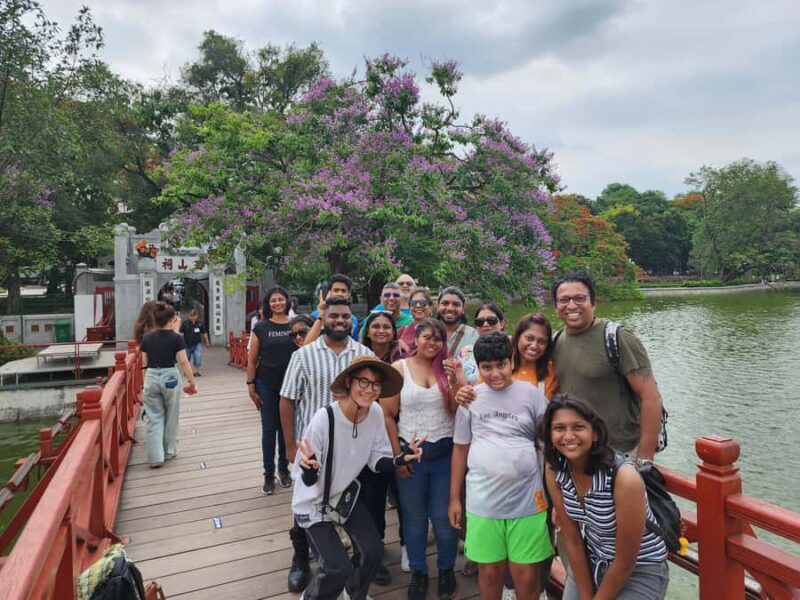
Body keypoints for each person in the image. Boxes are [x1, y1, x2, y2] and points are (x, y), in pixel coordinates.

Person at [292, 356, 424, 600]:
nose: (369, 389)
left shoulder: (374, 412)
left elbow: (377, 460)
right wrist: (308, 467)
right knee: (336, 567)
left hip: (343, 497)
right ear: (350, 382)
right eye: (363, 381)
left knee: (372, 551)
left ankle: (356, 594)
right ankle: (312, 597)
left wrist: (400, 459)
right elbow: (307, 479)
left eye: (375, 384)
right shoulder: (325, 418)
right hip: (313, 501)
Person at [279, 296, 374, 593]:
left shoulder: (363, 354)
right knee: (307, 511)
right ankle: (302, 560)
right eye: (334, 316)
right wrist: (290, 447)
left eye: (345, 316)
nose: (340, 321)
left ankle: (351, 582)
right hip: (312, 450)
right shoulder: (304, 355)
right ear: (324, 318)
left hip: (351, 448)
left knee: (350, 509)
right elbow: (287, 400)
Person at [449, 332, 552, 600]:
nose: (495, 373)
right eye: (487, 367)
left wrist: (557, 503)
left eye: (501, 365)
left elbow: (547, 451)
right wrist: (454, 499)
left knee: (526, 575)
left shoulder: (532, 396)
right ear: (480, 368)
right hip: (483, 502)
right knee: (490, 572)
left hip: (528, 502)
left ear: (511, 361)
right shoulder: (469, 397)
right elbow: (460, 449)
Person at [539, 394, 669, 599]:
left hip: (639, 568)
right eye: (559, 428)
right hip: (592, 557)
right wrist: (586, 593)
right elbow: (572, 539)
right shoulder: (555, 469)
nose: (569, 436)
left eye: (578, 427)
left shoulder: (623, 479)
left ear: (595, 434)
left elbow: (626, 560)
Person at [382, 318, 458, 600]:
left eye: (438, 339)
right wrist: (397, 457)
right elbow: (388, 414)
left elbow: (454, 408)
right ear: (416, 338)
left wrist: (453, 379)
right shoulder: (399, 368)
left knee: (443, 517)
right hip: (411, 453)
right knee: (414, 519)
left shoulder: (446, 368)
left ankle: (447, 568)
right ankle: (418, 571)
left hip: (444, 452)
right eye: (426, 337)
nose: (432, 343)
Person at [550, 273, 663, 460]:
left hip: (618, 453)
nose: (571, 305)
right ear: (556, 307)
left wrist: (644, 458)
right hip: (576, 453)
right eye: (564, 300)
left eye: (579, 298)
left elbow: (650, 397)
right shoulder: (554, 341)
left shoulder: (617, 338)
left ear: (593, 303)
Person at [357, 310, 403, 583]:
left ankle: (403, 546)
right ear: (367, 330)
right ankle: (373, 554)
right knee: (372, 497)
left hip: (398, 432)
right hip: (366, 435)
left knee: (396, 493)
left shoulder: (402, 358)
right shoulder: (359, 357)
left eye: (387, 326)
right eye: (376, 326)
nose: (382, 330)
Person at [247, 286, 296, 495]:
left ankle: (284, 469)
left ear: (287, 302)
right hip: (266, 384)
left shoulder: (296, 325)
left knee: (287, 429)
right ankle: (268, 473)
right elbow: (252, 359)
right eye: (273, 300)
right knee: (269, 431)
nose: (277, 303)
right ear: (268, 304)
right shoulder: (261, 327)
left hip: (291, 387)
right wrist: (251, 386)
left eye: (281, 299)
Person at [139, 302, 197, 468]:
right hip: (169, 375)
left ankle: (155, 456)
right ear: (172, 320)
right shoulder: (176, 338)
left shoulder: (146, 338)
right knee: (171, 415)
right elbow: (183, 361)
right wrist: (191, 381)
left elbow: (144, 362)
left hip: (150, 375)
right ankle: (169, 450)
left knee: (153, 417)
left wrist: (145, 382)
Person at [452, 302, 506, 387]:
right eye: (479, 321)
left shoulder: (512, 349)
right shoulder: (466, 352)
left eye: (491, 320)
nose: (485, 324)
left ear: (502, 324)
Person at [510, 313, 558, 399]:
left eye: (542, 342)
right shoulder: (500, 365)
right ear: (518, 336)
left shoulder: (551, 372)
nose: (534, 346)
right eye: (529, 338)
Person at [306, 274, 361, 344]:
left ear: (348, 294)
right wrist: (321, 316)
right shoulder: (315, 315)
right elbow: (307, 345)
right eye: (336, 290)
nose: (340, 293)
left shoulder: (353, 320)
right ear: (329, 292)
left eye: (343, 291)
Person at [437, 287, 478, 357]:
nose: (450, 308)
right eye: (445, 303)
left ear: (463, 309)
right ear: (438, 307)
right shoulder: (427, 332)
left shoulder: (474, 335)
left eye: (456, 304)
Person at [397, 287, 433, 355]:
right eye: (414, 303)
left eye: (423, 303)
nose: (418, 305)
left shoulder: (438, 331)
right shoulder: (401, 331)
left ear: (430, 308)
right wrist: (396, 343)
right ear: (409, 308)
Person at [180, 309, 210, 377]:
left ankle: (195, 371)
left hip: (197, 344)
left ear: (197, 316)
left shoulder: (200, 323)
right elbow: (181, 333)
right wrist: (180, 343)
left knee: (198, 357)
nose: (193, 317)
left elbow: (204, 332)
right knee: (187, 358)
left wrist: (207, 342)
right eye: (191, 316)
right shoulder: (185, 323)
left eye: (194, 316)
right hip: (187, 344)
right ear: (189, 316)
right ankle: (186, 371)